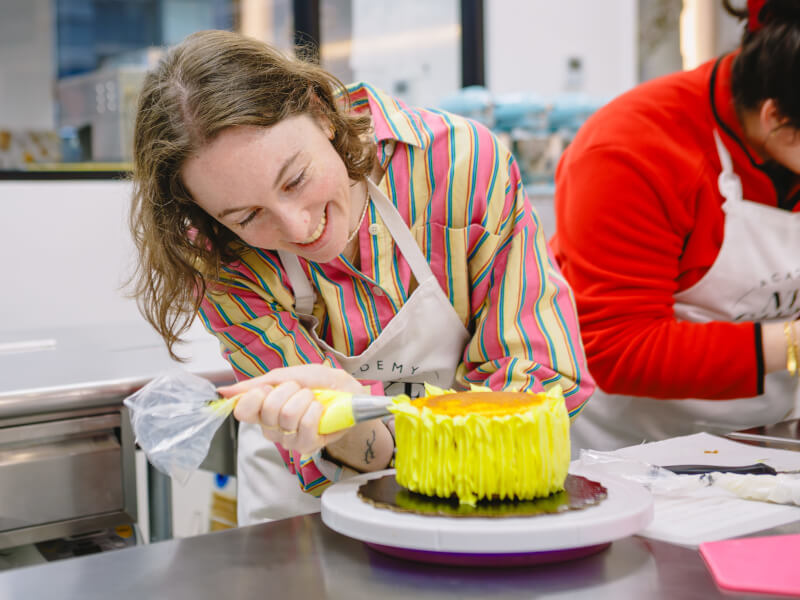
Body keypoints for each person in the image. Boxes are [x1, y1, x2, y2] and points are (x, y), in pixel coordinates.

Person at [130, 30, 595, 525]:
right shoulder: (219, 257)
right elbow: (356, 452)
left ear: (321, 113)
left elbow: (538, 381)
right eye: (247, 217)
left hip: (493, 499)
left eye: (296, 180)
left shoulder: (460, 166)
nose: (298, 226)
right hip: (312, 520)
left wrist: (366, 409)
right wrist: (342, 423)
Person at [551, 0, 800, 453]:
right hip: (624, 452)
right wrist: (792, 342)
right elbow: (621, 349)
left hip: (765, 441)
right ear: (777, 119)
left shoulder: (788, 147)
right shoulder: (630, 150)